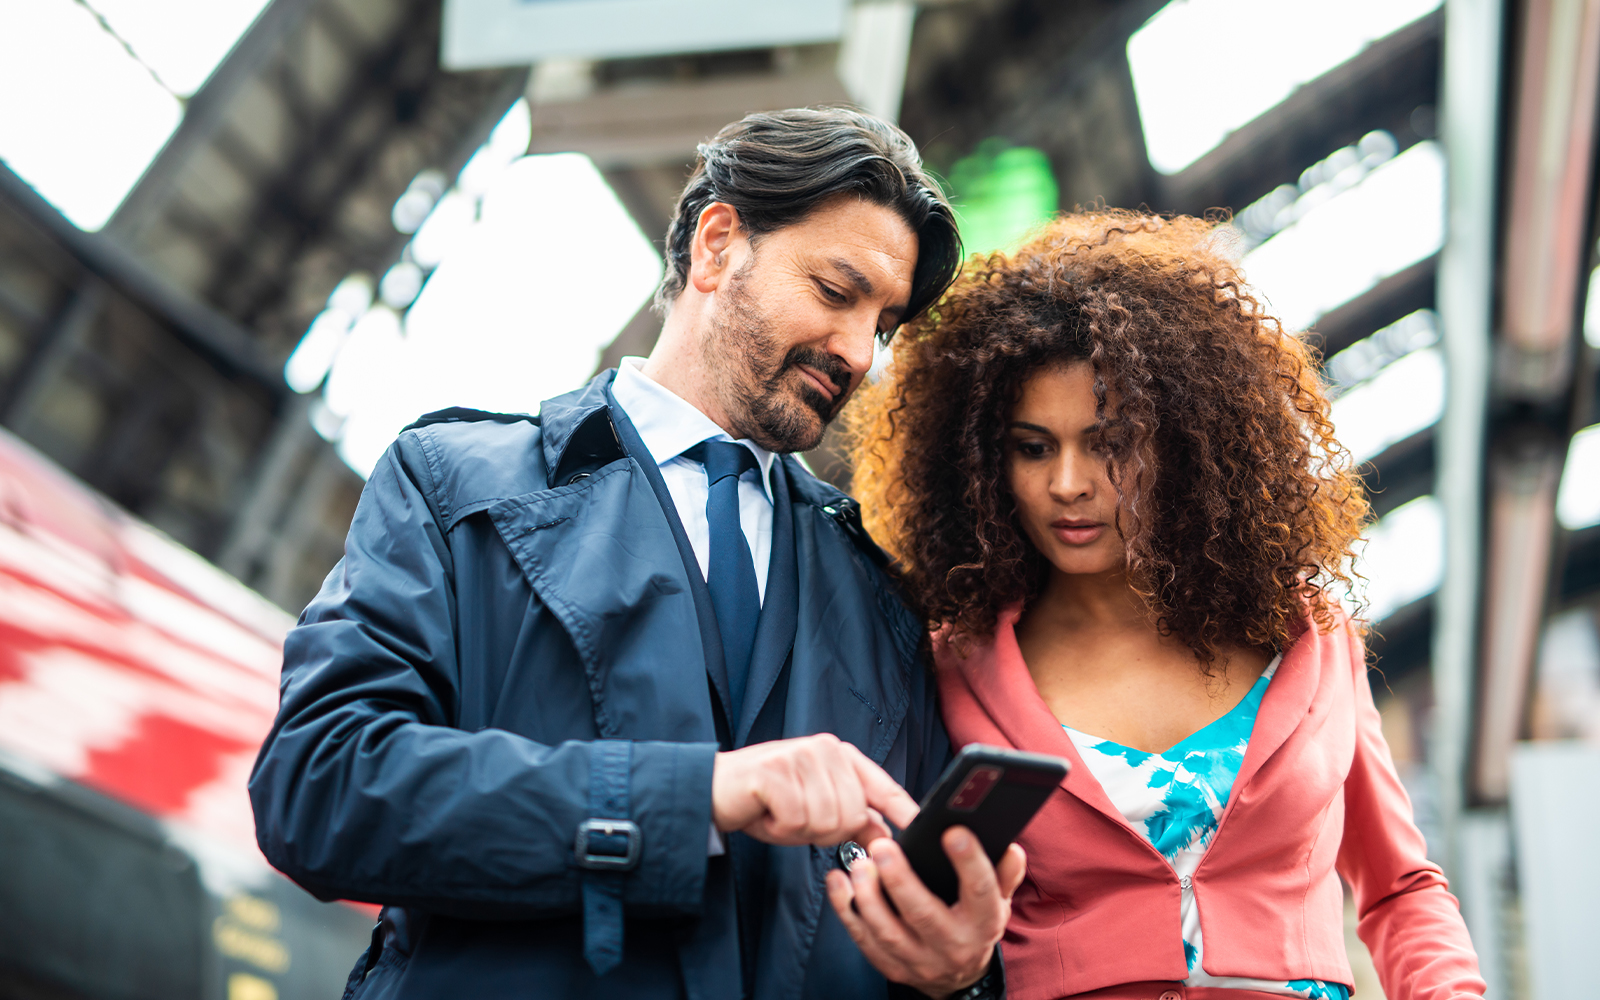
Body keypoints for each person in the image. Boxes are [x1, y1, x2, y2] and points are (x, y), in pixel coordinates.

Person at [248, 107, 1023, 1000]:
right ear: (718, 244)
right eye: (836, 291)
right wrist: (692, 796)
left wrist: (959, 976)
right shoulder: (454, 483)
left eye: (882, 325)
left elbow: (912, 921)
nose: (859, 352)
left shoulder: (885, 601)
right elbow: (320, 785)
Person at [847, 211, 1487, 1000]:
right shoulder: (951, 663)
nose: (1069, 483)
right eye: (1033, 446)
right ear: (983, 458)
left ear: (1184, 441)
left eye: (1110, 442)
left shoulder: (1309, 635)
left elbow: (1399, 889)